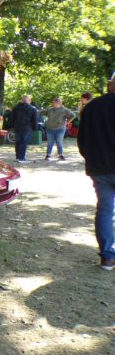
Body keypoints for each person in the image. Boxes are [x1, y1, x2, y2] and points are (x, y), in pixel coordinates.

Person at [77, 77, 115, 271]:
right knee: (105, 211)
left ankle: (107, 257)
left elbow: (82, 139)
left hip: (99, 168)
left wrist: (92, 159)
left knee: (105, 211)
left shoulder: (92, 107)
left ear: (110, 86)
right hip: (101, 167)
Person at [9, 94, 38, 163]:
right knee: (24, 142)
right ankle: (21, 158)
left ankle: (18, 157)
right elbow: (34, 120)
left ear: (22, 100)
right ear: (29, 100)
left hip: (17, 127)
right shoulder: (33, 109)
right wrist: (35, 128)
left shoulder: (16, 108)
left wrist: (11, 126)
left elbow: (12, 118)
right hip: (27, 127)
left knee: (18, 142)